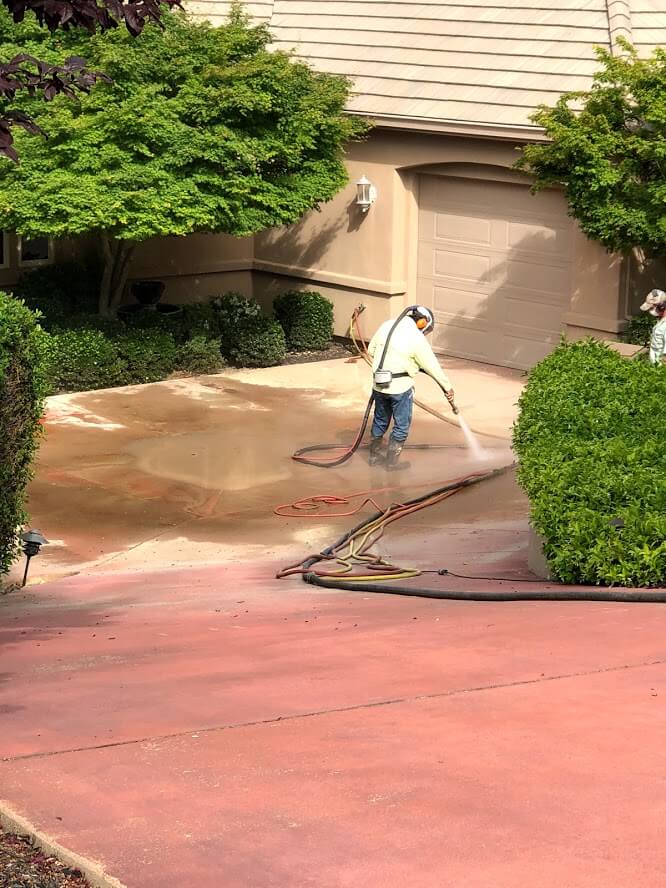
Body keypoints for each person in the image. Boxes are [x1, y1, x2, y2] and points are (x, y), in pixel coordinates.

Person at [367, 305, 455, 468]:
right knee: (401, 425)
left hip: (378, 385)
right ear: (422, 322)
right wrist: (447, 388)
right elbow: (432, 366)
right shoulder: (416, 337)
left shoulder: (387, 325)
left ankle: (373, 457)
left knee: (380, 419)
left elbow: (371, 350)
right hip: (400, 388)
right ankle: (392, 463)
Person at [640, 293, 666, 366]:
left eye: (652, 308)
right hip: (654, 368)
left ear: (662, 306)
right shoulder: (661, 321)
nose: (650, 311)